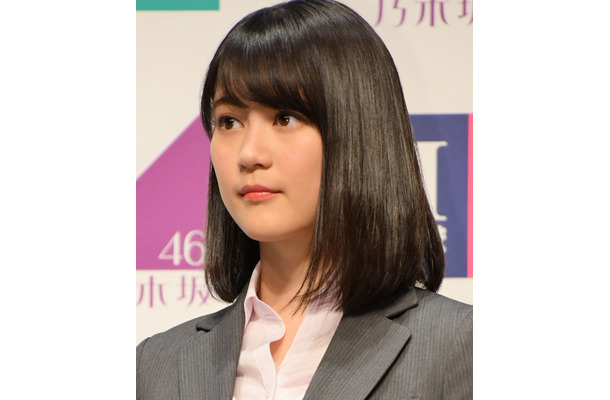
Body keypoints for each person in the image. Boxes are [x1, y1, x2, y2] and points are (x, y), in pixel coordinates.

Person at [136, 1, 473, 399]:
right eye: (229, 121)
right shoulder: (154, 365)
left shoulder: (459, 346)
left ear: (359, 131)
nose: (249, 153)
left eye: (285, 118)